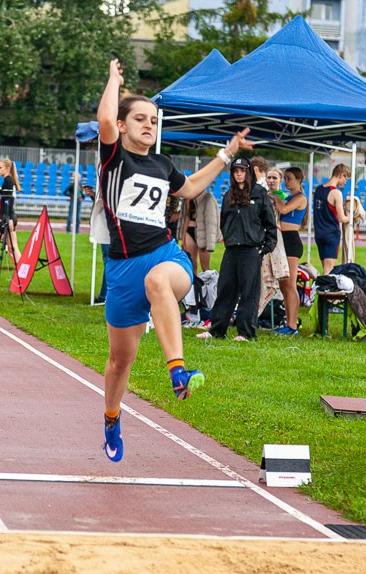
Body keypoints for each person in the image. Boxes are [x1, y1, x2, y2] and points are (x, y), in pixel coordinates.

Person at [97, 58, 251, 462]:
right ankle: (111, 418)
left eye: (153, 120)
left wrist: (226, 153)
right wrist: (114, 80)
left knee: (159, 281)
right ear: (124, 126)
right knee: (119, 362)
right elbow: (104, 120)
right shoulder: (114, 159)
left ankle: (178, 371)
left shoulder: (163, 164)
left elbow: (192, 186)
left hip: (165, 254)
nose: (149, 125)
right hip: (122, 269)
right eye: (140, 119)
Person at [196, 157, 276, 341]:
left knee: (249, 292)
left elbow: (270, 224)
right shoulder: (229, 195)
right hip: (232, 249)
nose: (239, 174)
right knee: (225, 289)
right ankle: (217, 330)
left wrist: (265, 247)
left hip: (251, 249)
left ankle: (246, 332)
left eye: (242, 170)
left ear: (248, 172)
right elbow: (224, 221)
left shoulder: (260, 194)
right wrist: (230, 237)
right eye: (235, 171)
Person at [270, 167, 308, 334]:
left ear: (299, 180)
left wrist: (275, 196)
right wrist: (274, 192)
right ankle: (287, 321)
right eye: (284, 178)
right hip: (282, 240)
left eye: (289, 178)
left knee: (291, 284)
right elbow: (278, 196)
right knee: (284, 284)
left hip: (291, 241)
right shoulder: (288, 196)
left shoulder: (300, 198)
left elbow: (284, 209)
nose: (286, 182)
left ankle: (292, 325)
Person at [313, 164, 350, 275]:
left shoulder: (318, 190)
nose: (345, 182)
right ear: (341, 175)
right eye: (346, 178)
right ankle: (323, 286)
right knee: (329, 270)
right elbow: (342, 218)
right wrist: (351, 217)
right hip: (331, 234)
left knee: (325, 267)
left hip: (319, 233)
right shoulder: (336, 193)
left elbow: (326, 208)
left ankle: (322, 285)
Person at [178, 190, 220, 274]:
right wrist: (183, 237)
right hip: (189, 229)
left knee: (205, 267)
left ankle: (208, 282)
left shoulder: (207, 198)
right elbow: (185, 217)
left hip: (203, 232)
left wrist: (210, 242)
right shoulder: (187, 199)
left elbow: (211, 221)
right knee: (192, 264)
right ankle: (194, 282)